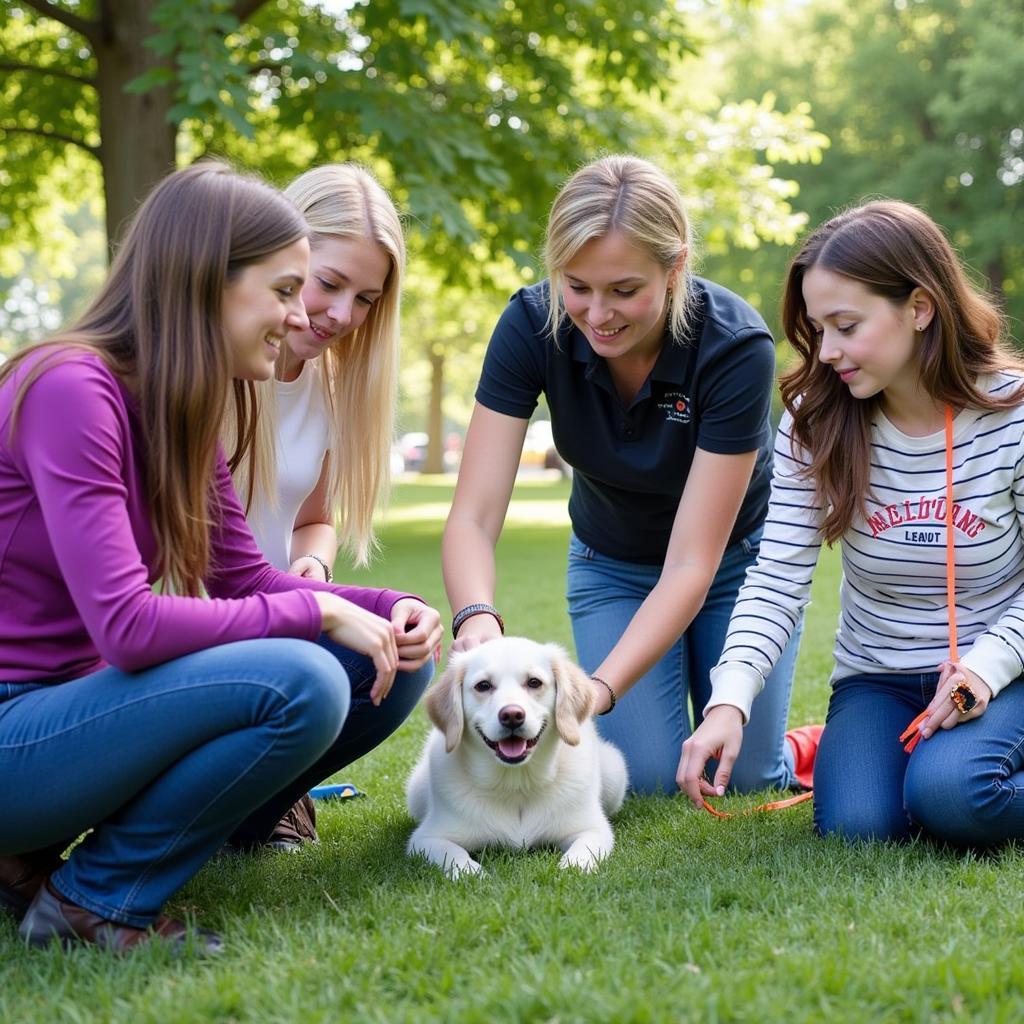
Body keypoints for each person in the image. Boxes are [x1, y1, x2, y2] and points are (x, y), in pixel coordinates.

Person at [0, 161, 442, 953]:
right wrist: (320, 609)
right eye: (283, 290)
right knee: (302, 677)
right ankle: (93, 900)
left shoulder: (181, 404)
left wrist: (387, 610)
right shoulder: (70, 387)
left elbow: (247, 579)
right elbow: (128, 628)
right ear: (208, 281)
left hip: (65, 714)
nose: (297, 316)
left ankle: (51, 859)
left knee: (396, 663)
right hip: (14, 722)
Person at [442, 154, 809, 795]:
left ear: (675, 268)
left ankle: (803, 747)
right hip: (612, 563)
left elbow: (693, 564)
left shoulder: (735, 346)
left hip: (732, 565)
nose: (598, 313)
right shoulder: (530, 325)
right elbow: (473, 516)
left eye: (624, 290)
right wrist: (476, 619)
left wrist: (594, 691)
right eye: (577, 285)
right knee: (645, 780)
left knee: (744, 776)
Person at [679, 200, 1024, 845]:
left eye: (847, 325)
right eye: (818, 329)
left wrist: (985, 671)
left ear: (919, 308)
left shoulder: (1013, 416)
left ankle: (952, 770)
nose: (828, 350)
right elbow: (777, 578)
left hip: (999, 673)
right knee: (857, 827)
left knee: (953, 797)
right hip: (878, 677)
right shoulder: (814, 422)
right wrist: (728, 700)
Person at [227, 163, 406, 851]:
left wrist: (312, 562)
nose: (341, 315)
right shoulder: (220, 370)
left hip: (283, 613)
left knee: (404, 644)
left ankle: (265, 801)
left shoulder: (335, 386)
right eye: (328, 283)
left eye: (366, 298)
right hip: (214, 618)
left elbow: (313, 516)